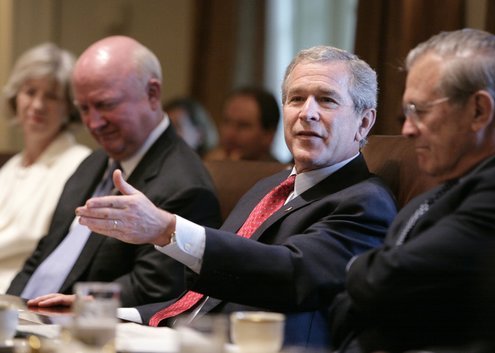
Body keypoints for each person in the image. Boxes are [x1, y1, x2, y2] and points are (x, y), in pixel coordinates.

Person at [69, 46, 397, 349]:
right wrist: (113, 313)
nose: (306, 113)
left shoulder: (365, 201)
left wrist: (169, 229)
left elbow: (291, 275)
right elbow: (204, 299)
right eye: (296, 99)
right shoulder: (267, 186)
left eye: (326, 100)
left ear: (364, 122)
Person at [330, 28, 495, 353]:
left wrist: (357, 268)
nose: (407, 129)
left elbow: (384, 280)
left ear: (478, 111)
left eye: (420, 111)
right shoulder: (435, 194)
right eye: (406, 113)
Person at [6, 36, 222, 307]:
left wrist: (79, 305)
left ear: (152, 94)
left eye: (106, 105)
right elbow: (42, 254)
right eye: (84, 109)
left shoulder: (186, 185)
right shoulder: (93, 163)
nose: (93, 123)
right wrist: (9, 307)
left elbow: (154, 288)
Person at [0, 43, 91, 293]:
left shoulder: (80, 165)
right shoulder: (10, 168)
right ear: (15, 97)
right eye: (30, 92)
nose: (38, 105)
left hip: (23, 294)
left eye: (51, 96)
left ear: (69, 107)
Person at [204, 86, 280, 161]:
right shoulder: (208, 164)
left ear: (268, 135)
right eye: (226, 122)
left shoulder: (283, 172)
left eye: (243, 126)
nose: (230, 134)